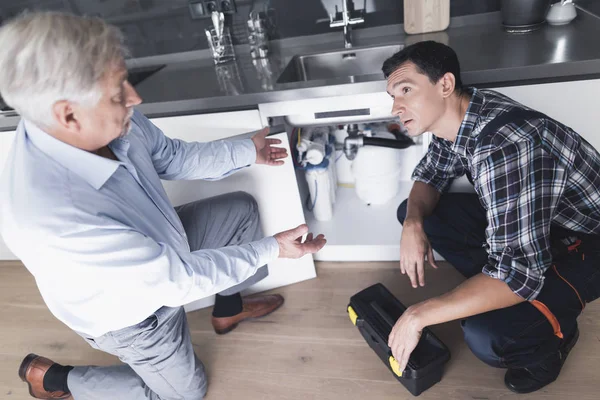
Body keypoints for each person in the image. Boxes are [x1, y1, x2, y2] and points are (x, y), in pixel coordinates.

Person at [0, 11, 326, 400]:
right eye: (119, 92)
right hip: (135, 318)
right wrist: (275, 249)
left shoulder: (100, 114)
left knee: (240, 211)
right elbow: (180, 281)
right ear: (68, 115)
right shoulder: (52, 218)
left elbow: (169, 156)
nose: (135, 98)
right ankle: (55, 379)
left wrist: (244, 150)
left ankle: (228, 308)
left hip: (161, 254)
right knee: (186, 394)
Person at [384, 40, 600, 393]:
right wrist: (412, 222)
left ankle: (550, 345)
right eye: (393, 95)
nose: (396, 106)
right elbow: (433, 174)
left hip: (587, 241)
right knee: (422, 214)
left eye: (406, 89)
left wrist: (417, 316)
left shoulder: (505, 145)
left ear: (445, 85)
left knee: (489, 335)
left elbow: (519, 275)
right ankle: (496, 287)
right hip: (540, 226)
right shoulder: (461, 115)